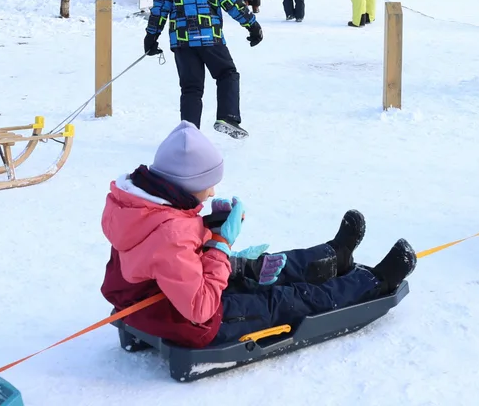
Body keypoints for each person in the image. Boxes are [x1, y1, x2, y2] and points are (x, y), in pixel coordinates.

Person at [100, 123, 417, 349]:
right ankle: (373, 283)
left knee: (264, 266)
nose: (212, 192)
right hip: (194, 320)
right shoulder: (170, 232)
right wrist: (220, 244)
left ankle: (335, 256)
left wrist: (212, 234)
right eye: (207, 184)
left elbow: (169, 255)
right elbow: (200, 307)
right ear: (185, 184)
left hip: (170, 295)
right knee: (285, 299)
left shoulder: (142, 205)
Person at [147, 0, 263, 138]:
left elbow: (159, 10)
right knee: (227, 74)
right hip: (210, 38)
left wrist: (151, 36)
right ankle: (227, 116)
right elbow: (232, 3)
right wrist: (252, 26)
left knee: (191, 88)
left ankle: (189, 134)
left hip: (182, 42)